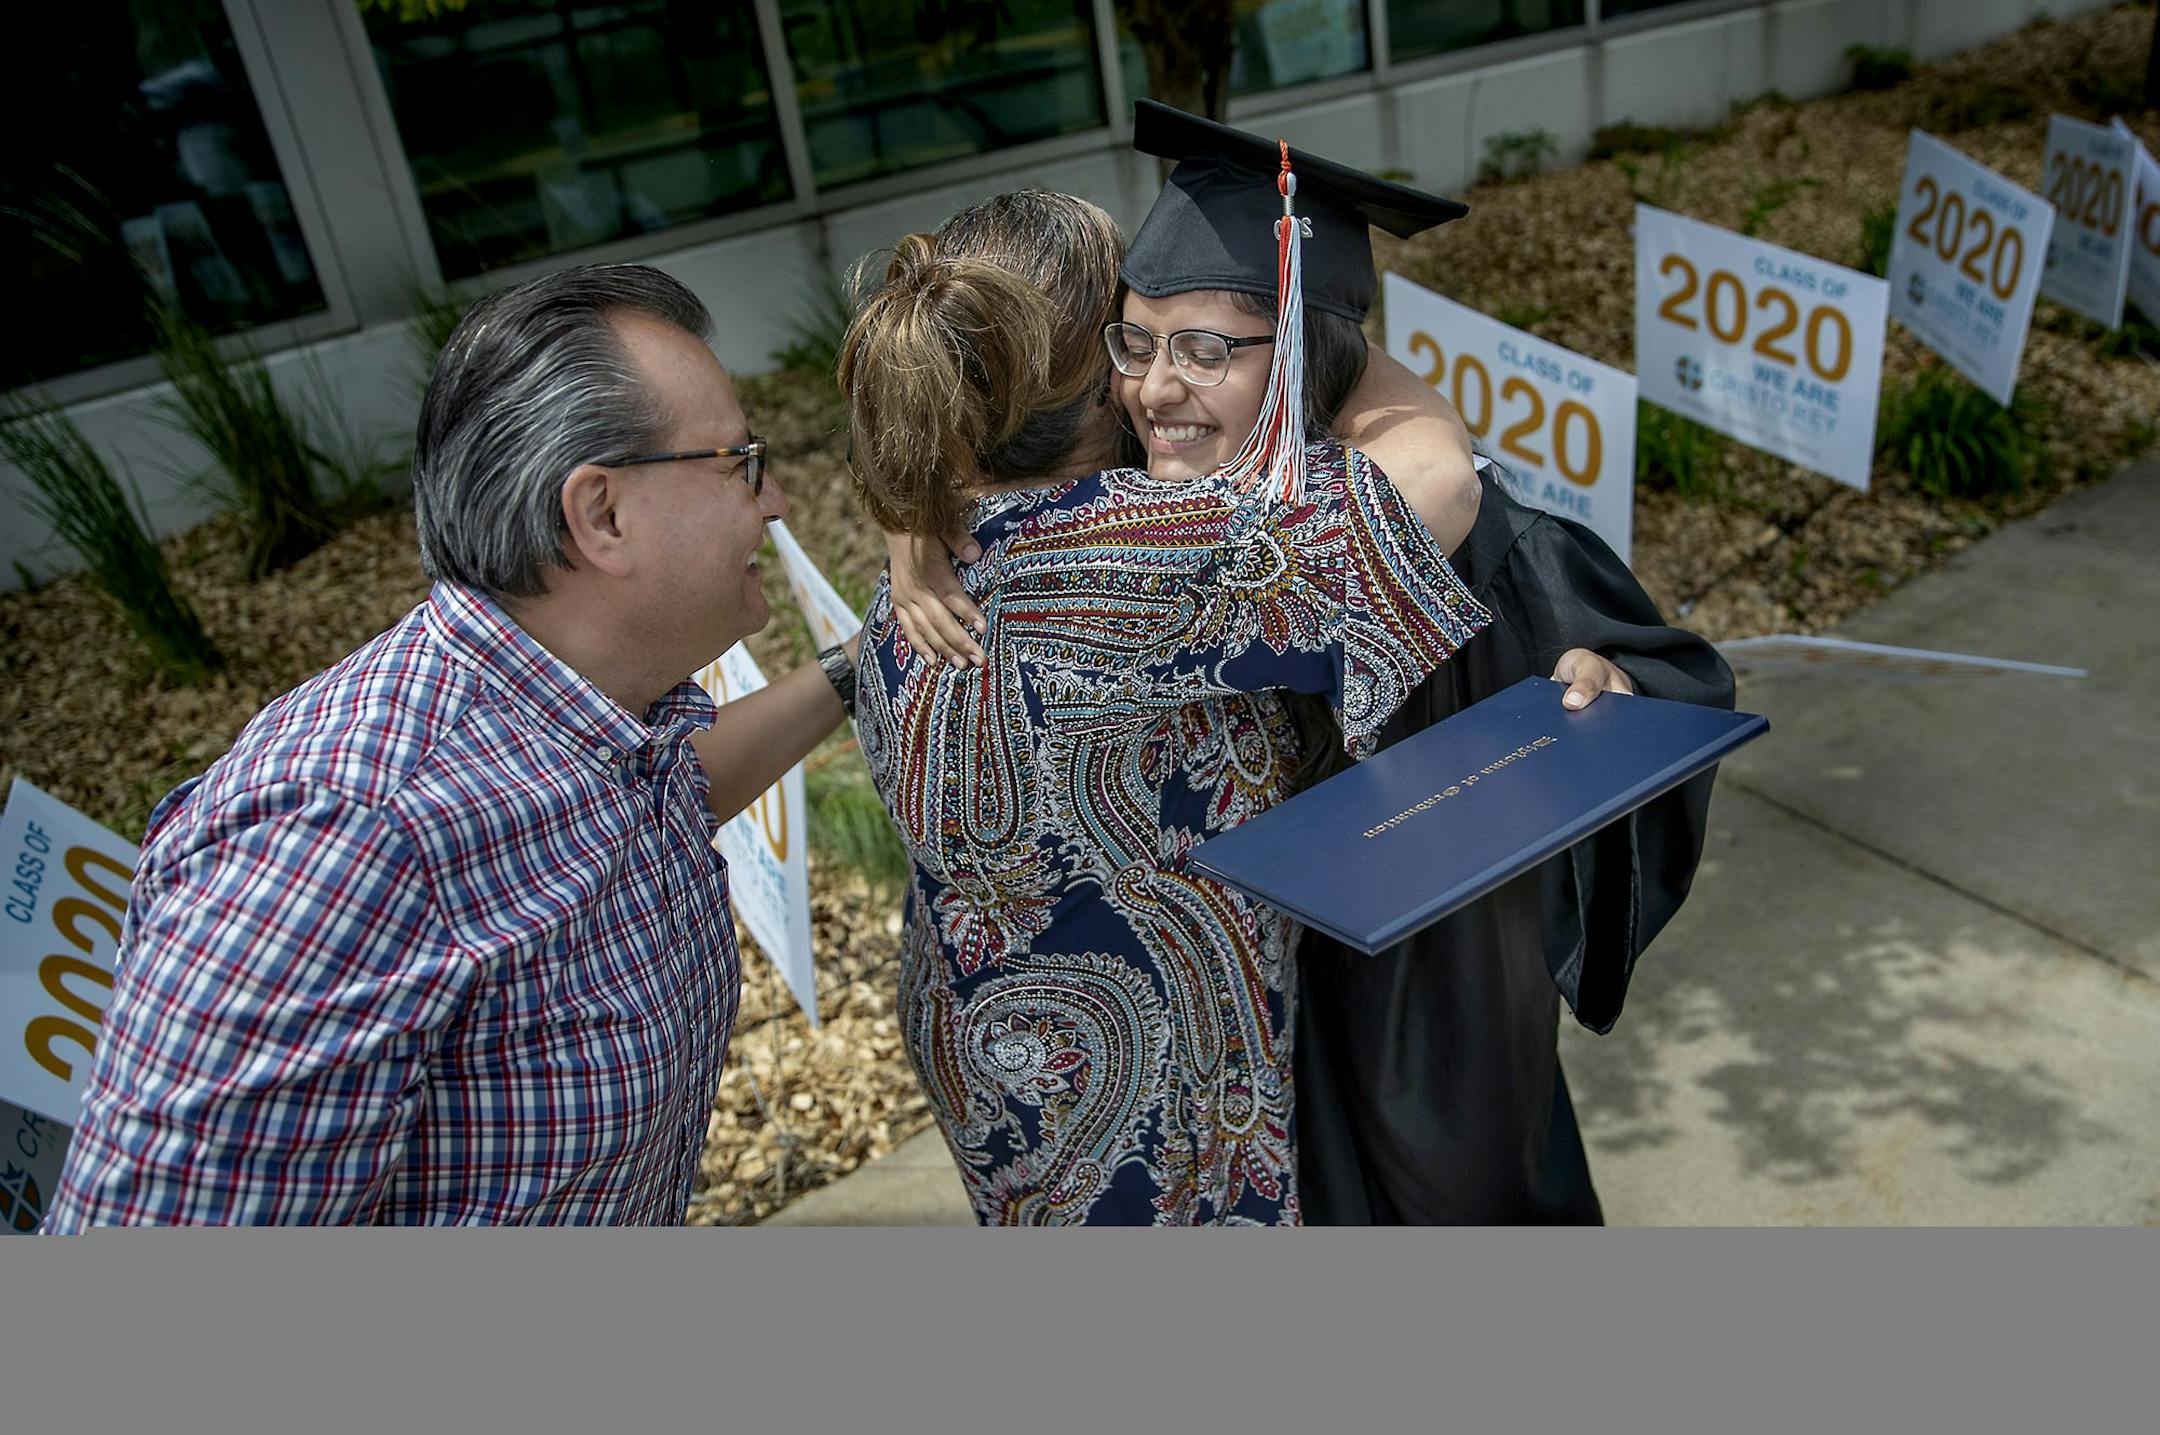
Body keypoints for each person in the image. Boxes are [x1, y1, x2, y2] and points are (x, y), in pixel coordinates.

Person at [903, 101, 1737, 1225]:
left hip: (1411, 1020)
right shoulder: (1138, 524)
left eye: (1206, 350)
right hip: (1235, 1045)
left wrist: (1610, 686)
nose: (1156, 388)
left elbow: (1672, 674)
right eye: (1135, 344)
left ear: (1304, 359)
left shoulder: (1473, 541)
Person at [42, 264, 861, 1227]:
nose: (774, 505)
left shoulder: (583, 710)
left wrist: (864, 661)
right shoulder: (345, 833)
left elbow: (661, 797)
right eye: (739, 462)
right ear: (601, 514)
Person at [842, 185, 1490, 1224]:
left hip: (1000, 1085)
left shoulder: (937, 539)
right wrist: (1321, 334)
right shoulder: (1133, 554)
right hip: (1157, 1141)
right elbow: (1439, 482)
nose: (1160, 373)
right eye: (1135, 335)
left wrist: (901, 525)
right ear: (1105, 382)